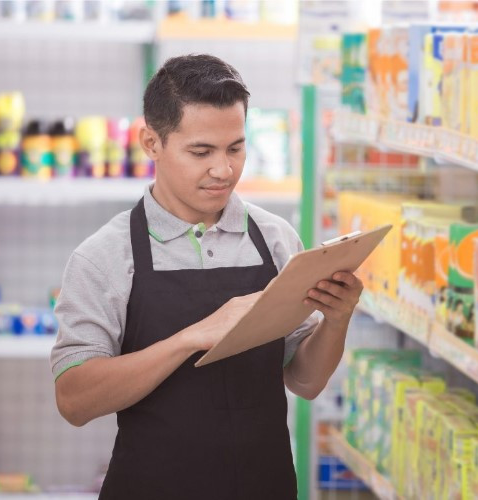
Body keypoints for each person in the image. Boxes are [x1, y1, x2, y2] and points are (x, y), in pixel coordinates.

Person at [50, 54, 363, 499]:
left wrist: (336, 318)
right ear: (151, 143)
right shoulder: (104, 256)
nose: (224, 170)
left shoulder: (275, 240)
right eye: (201, 152)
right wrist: (191, 338)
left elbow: (306, 381)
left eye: (235, 148)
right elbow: (74, 401)